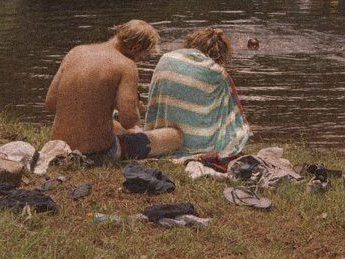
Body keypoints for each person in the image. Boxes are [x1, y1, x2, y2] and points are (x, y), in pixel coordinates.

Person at [45, 20, 181, 164]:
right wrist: (137, 109)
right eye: (142, 55)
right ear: (136, 47)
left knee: (120, 126)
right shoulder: (126, 65)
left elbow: (51, 104)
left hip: (59, 148)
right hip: (97, 154)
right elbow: (129, 121)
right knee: (173, 136)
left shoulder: (75, 52)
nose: (140, 59)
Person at [144, 27, 250, 157]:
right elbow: (229, 109)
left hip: (158, 137)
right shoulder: (217, 72)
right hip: (195, 145)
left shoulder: (166, 58)